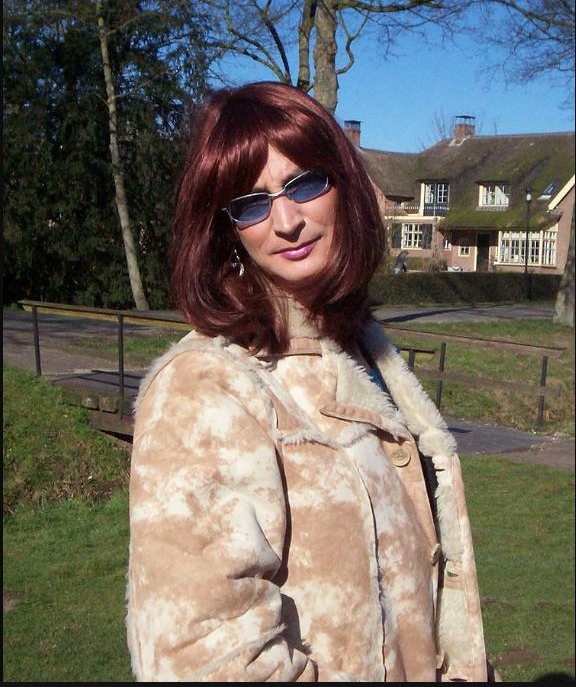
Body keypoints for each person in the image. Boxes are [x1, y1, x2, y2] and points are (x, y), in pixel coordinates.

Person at [126, 82, 493, 682]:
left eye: (304, 184)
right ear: (226, 230)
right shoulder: (205, 387)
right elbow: (203, 658)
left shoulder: (362, 351)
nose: (287, 221)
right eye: (250, 204)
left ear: (344, 184)